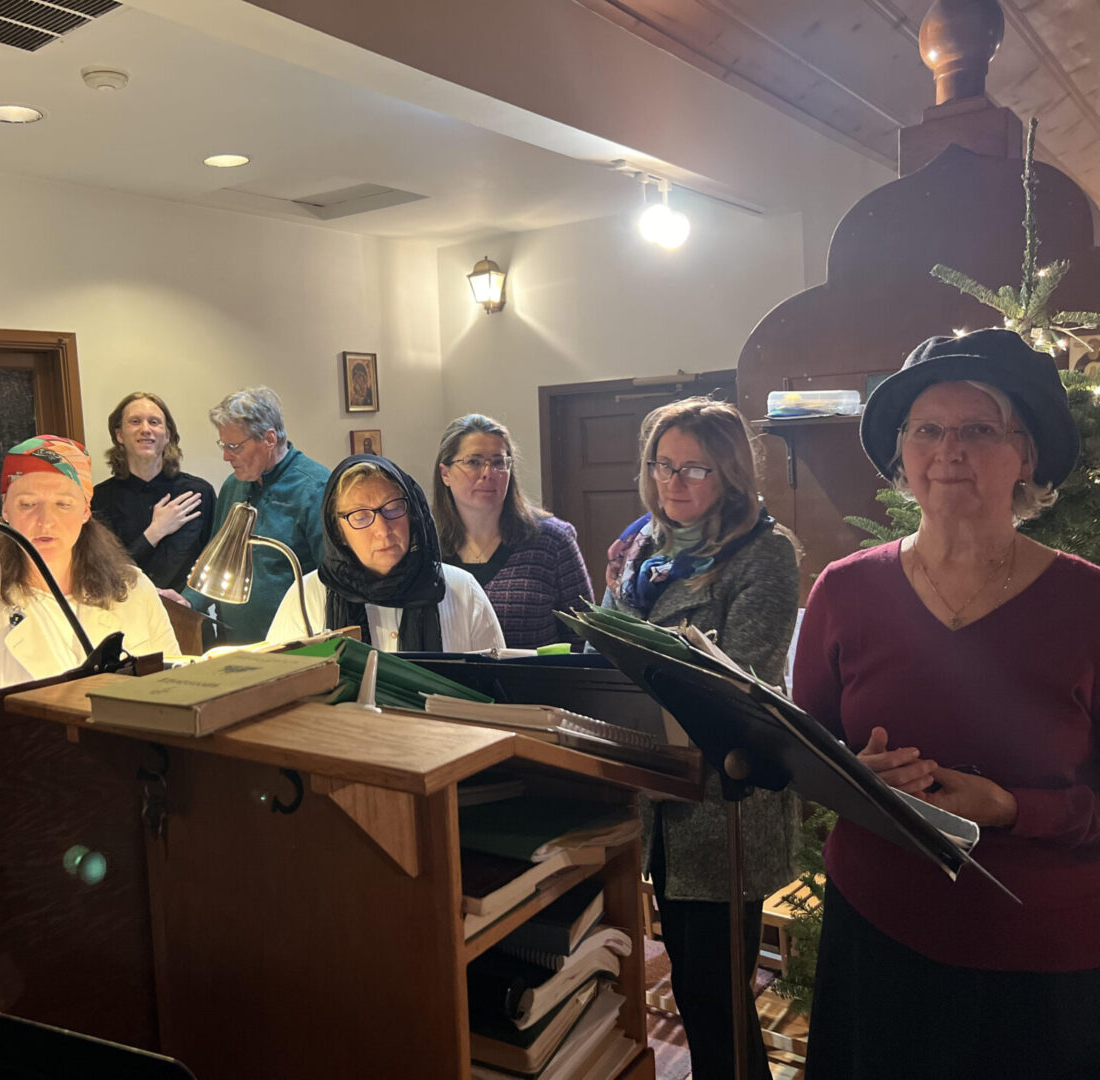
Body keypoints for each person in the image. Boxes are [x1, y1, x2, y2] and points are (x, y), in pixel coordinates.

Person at [792, 329, 1100, 1078]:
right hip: (879, 930)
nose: (948, 449)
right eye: (926, 429)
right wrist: (853, 776)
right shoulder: (845, 589)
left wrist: (1011, 807)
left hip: (1043, 957)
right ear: (902, 454)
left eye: (979, 430)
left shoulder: (1090, 602)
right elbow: (803, 755)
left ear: (1026, 456)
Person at [602, 397, 797, 1080]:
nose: (672, 484)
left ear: (733, 474)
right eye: (662, 465)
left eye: (694, 469)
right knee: (691, 986)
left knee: (718, 997)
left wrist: (643, 669)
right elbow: (604, 644)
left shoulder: (764, 554)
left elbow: (743, 689)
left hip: (722, 807)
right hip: (655, 797)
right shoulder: (640, 548)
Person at [0, 436, 179, 702]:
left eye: (63, 504)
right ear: (5, 510)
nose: (45, 522)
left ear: (85, 511)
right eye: (28, 504)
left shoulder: (134, 588)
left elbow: (173, 689)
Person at [268, 455, 505, 651]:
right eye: (360, 516)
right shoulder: (306, 597)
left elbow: (499, 689)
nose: (382, 529)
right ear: (338, 531)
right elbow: (279, 689)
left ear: (412, 514)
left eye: (393, 509)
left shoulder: (463, 591)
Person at [433, 413, 593, 648]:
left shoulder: (552, 540)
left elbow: (585, 637)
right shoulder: (426, 547)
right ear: (445, 473)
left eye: (498, 462)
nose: (488, 473)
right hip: (443, 684)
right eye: (474, 462)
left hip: (533, 683)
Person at [188, 386, 329, 643]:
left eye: (234, 446)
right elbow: (217, 560)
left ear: (269, 440)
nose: (225, 456)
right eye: (223, 445)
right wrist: (187, 602)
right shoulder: (234, 485)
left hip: (295, 646)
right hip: (234, 642)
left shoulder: (316, 489)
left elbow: (330, 582)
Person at [91, 391, 216, 592]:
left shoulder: (199, 494)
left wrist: (191, 601)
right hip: (125, 613)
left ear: (167, 435)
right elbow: (105, 571)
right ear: (119, 435)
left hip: (186, 614)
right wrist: (154, 532)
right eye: (135, 421)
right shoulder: (100, 499)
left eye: (154, 422)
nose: (145, 429)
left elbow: (213, 564)